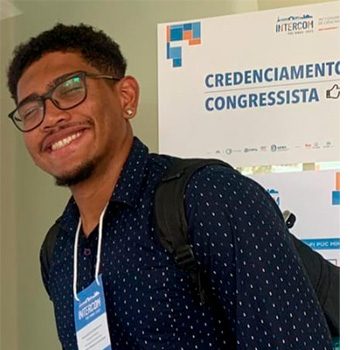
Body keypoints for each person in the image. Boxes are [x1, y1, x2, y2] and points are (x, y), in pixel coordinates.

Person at [7, 23, 333, 350]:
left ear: (126, 97)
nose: (49, 118)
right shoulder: (58, 249)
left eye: (69, 89)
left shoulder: (209, 197)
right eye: (30, 110)